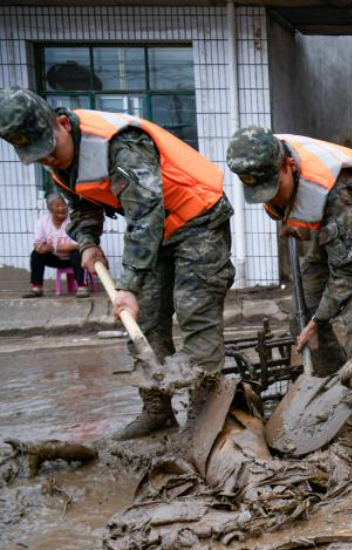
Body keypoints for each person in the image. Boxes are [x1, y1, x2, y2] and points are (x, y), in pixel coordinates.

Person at [0, 88, 234, 440]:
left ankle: (205, 414)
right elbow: (80, 205)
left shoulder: (121, 145)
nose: (48, 160)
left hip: (198, 218)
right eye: (38, 156)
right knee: (144, 319)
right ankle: (157, 410)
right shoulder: (59, 159)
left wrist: (128, 286)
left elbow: (145, 216)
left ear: (61, 124)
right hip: (158, 229)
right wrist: (89, 243)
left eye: (50, 149)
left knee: (195, 313)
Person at [227, 126, 352, 425]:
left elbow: (348, 272)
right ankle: (337, 384)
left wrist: (319, 320)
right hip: (337, 229)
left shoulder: (336, 187)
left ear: (290, 166)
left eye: (275, 186)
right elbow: (290, 203)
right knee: (301, 313)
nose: (270, 195)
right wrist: (289, 220)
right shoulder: (266, 155)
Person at [26, 194, 89, 298]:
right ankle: (37, 288)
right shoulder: (42, 222)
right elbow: (38, 241)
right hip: (55, 258)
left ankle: (82, 287)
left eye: (64, 205)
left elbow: (78, 244)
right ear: (50, 209)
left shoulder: (73, 220)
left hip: (73, 259)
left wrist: (54, 247)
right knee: (36, 254)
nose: (62, 208)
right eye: (57, 206)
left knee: (77, 253)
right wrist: (39, 247)